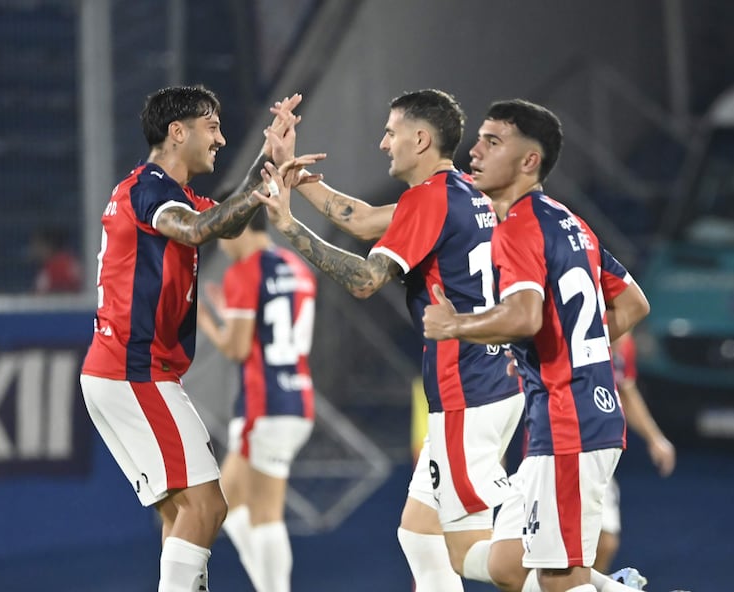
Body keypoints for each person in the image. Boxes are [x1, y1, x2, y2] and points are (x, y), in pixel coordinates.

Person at [258, 89, 529, 592]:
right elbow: (362, 220)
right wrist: (295, 175)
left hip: (467, 392)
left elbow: (365, 280)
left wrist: (289, 227)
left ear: (420, 139)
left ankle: (601, 587)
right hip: (493, 382)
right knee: (420, 536)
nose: (383, 143)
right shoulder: (464, 192)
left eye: (391, 132)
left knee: (479, 555)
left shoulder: (430, 199)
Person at [79, 85, 323, 592]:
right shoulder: (150, 190)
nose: (220, 139)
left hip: (127, 371)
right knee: (207, 505)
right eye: (212, 127)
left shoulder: (169, 192)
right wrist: (265, 180)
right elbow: (195, 230)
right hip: (134, 371)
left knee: (182, 511)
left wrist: (270, 161)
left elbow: (226, 223)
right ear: (177, 131)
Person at [422, 98, 651, 592]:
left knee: (559, 582)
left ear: (530, 161)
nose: (474, 152)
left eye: (492, 142)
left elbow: (524, 316)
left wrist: (455, 325)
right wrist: (561, 348)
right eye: (478, 139)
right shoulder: (570, 222)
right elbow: (633, 304)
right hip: (573, 418)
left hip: (570, 423)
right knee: (506, 565)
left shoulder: (517, 227)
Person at [196, 207, 316, 592]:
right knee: (234, 506)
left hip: (265, 405)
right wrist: (231, 314)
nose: (220, 244)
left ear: (239, 228)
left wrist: (206, 322)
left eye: (221, 232)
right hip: (297, 397)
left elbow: (236, 348)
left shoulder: (244, 271)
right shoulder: (297, 268)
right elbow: (269, 325)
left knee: (258, 512)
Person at [594, 332, 676, 574]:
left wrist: (655, 438)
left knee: (605, 542)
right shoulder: (571, 342)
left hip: (600, 460)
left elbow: (626, 390)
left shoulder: (624, 345)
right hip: (559, 455)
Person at [30, 226, 83, 293]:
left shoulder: (50, 270)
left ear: (48, 246)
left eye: (38, 246)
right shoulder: (72, 262)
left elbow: (39, 295)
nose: (36, 250)